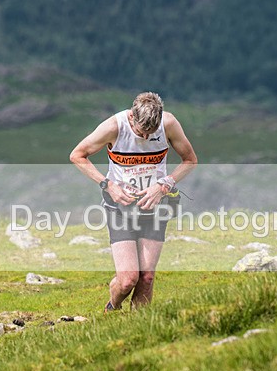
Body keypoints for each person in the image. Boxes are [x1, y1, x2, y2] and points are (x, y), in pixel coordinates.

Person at [70, 92, 198, 312]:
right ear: (132, 118)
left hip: (155, 207)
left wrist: (164, 184)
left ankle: (139, 328)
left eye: (152, 133)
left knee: (146, 277)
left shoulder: (169, 123)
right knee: (128, 279)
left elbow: (190, 160)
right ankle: (113, 306)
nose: (146, 138)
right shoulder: (113, 127)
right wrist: (107, 184)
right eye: (141, 132)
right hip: (120, 208)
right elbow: (77, 155)